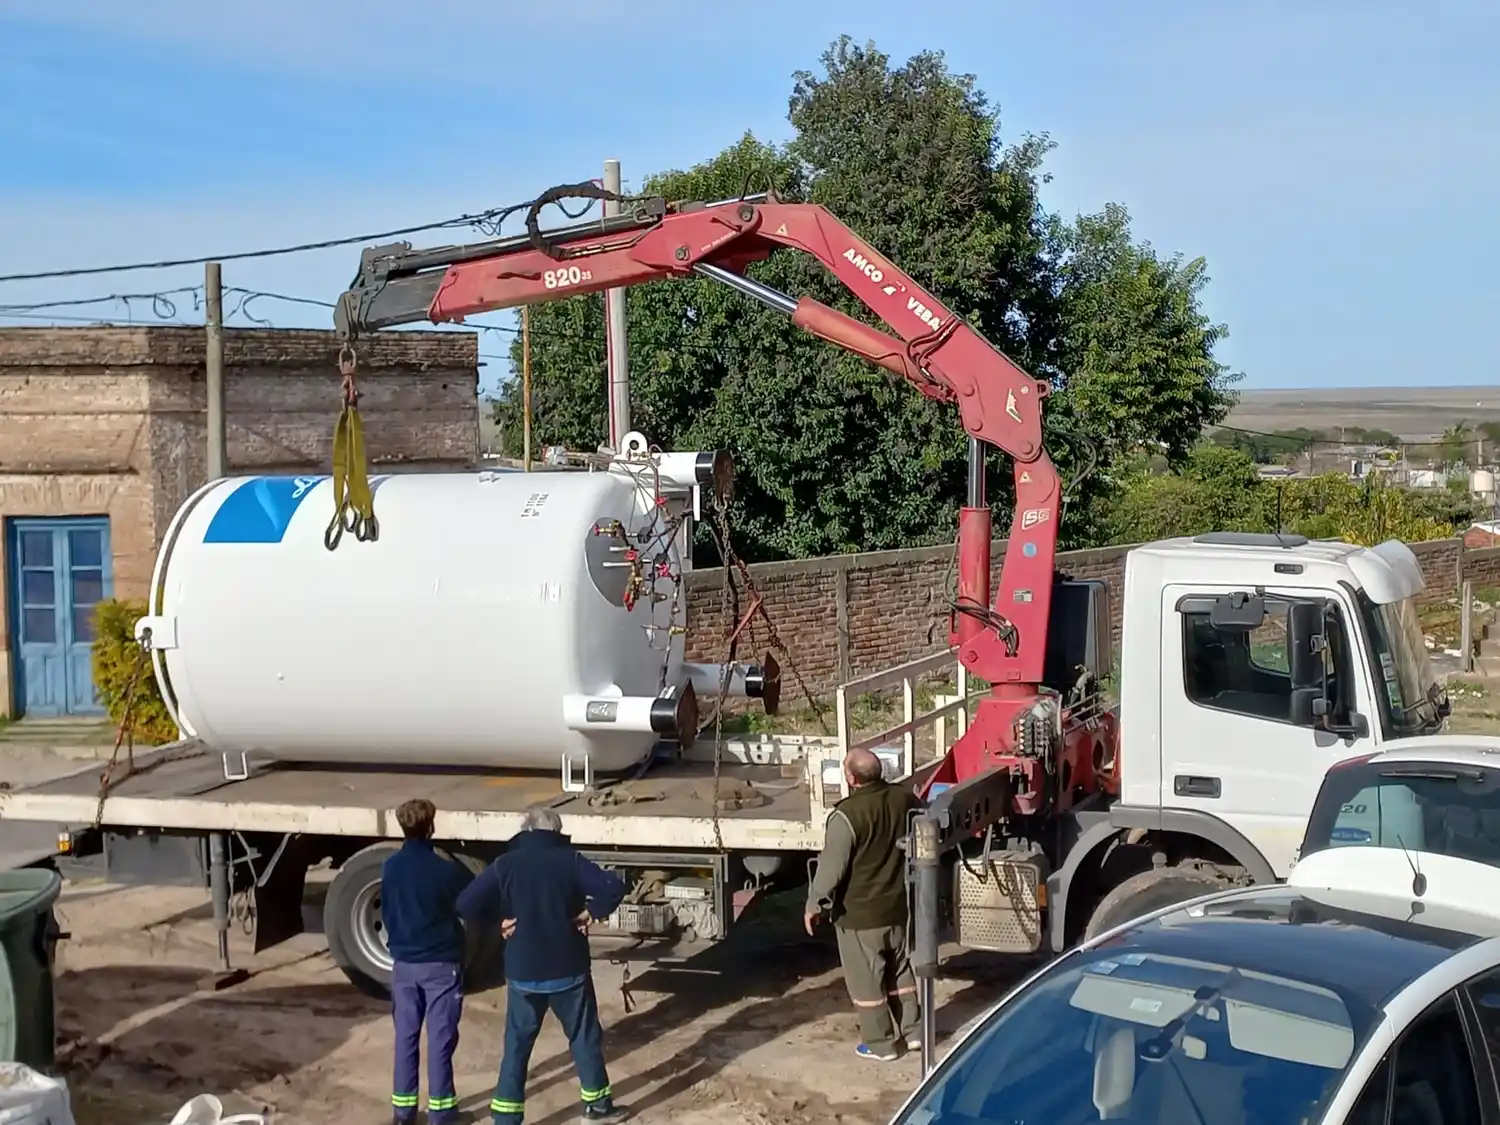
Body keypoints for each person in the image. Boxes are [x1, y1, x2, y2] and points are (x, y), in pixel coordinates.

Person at [458, 804, 629, 1125]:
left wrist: (498, 923)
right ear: (556, 831)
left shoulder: (505, 864)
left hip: (524, 972)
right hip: (569, 969)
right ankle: (598, 1109)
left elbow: (466, 903)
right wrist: (592, 912)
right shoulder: (570, 860)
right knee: (583, 1038)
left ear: (526, 831)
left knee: (517, 1047)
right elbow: (612, 887)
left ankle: (506, 1119)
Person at [804, 747, 922, 1062]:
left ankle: (880, 1045)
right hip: (898, 907)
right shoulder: (905, 800)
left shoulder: (846, 816)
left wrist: (814, 903)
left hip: (859, 915)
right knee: (900, 971)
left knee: (867, 981)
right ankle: (915, 1033)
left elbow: (832, 868)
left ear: (852, 778)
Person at [381, 798, 476, 1125]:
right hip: (440, 965)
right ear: (431, 827)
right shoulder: (444, 871)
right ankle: (442, 1114)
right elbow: (469, 906)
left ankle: (403, 1114)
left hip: (404, 966)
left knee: (406, 1038)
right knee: (440, 1041)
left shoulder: (390, 867)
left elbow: (388, 910)